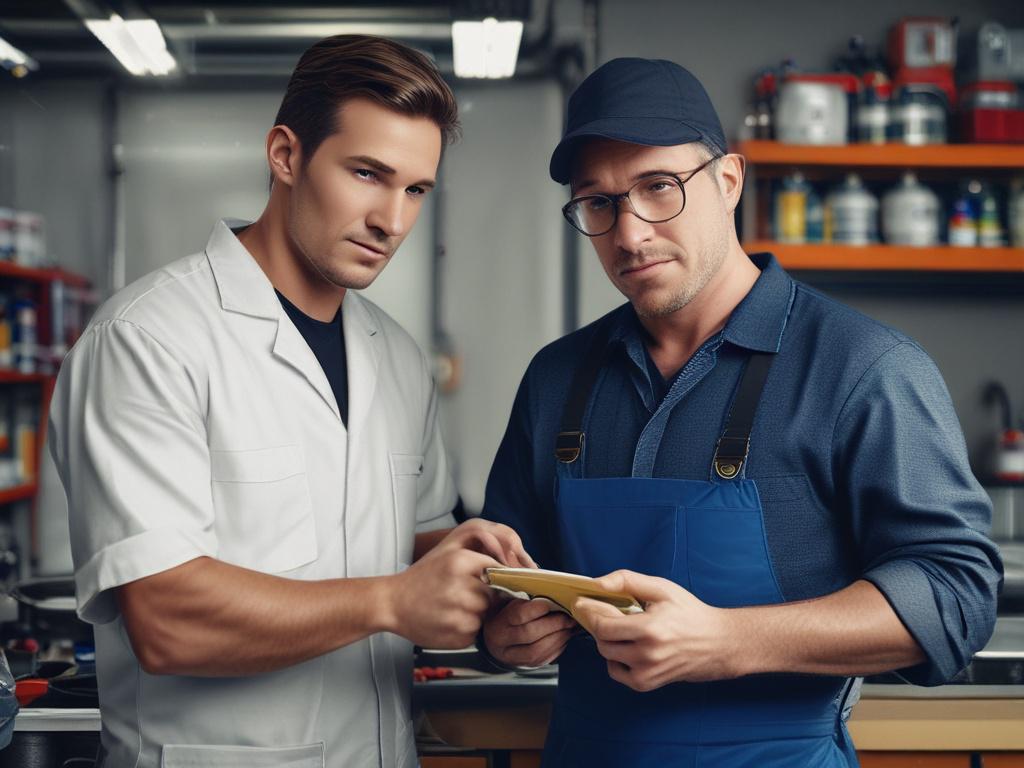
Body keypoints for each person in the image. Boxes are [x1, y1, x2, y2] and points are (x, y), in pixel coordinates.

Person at [480, 57, 1003, 767]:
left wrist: (729, 640)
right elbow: (503, 577)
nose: (629, 234)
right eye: (599, 204)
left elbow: (955, 594)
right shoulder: (556, 379)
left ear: (728, 181)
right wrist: (502, 633)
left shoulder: (864, 369)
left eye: (658, 188)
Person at [48, 35, 530, 768]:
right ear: (286, 155)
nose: (392, 221)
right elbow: (167, 620)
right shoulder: (148, 339)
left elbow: (412, 550)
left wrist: (498, 591)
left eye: (416, 190)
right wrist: (392, 602)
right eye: (367, 173)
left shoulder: (396, 358)